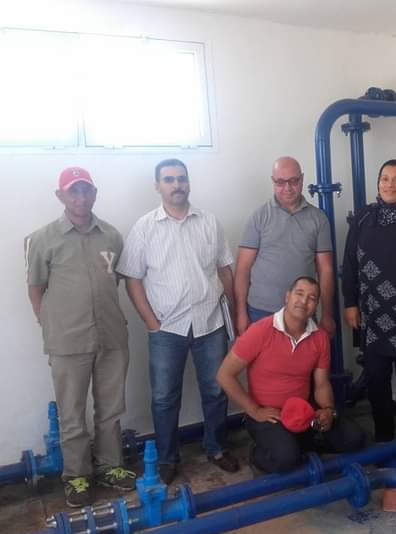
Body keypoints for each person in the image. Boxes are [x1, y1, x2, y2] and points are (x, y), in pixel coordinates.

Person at [117, 158, 239, 485]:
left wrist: (230, 310)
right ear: (157, 186)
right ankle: (167, 458)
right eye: (169, 179)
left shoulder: (209, 222)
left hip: (210, 322)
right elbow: (132, 278)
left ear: (189, 182)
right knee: (164, 397)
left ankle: (216, 448)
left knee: (216, 390)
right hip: (166, 328)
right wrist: (150, 322)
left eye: (181, 178)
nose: (176, 185)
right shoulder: (145, 227)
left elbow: (225, 269)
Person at [25, 167, 135, 507]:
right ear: (60, 196)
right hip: (67, 340)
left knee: (111, 408)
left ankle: (109, 467)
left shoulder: (112, 236)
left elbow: (115, 281)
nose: (81, 197)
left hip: (111, 336)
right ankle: (76, 476)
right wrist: (49, 324)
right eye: (73, 191)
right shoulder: (43, 239)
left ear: (95, 193)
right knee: (71, 412)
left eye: (86, 190)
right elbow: (36, 289)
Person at [217, 276, 365, 473]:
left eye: (312, 298)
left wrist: (328, 410)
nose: (304, 301)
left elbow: (321, 384)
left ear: (316, 305)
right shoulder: (260, 330)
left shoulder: (320, 337)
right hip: (269, 415)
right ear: (287, 297)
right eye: (299, 293)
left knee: (354, 438)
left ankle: (301, 443)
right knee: (286, 459)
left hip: (303, 410)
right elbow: (224, 375)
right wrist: (254, 411)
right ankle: (260, 454)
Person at [341, 159, 396, 442]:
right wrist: (350, 303)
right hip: (372, 314)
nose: (390, 185)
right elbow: (350, 262)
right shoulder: (364, 217)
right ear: (378, 183)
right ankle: (384, 439)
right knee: (376, 378)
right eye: (385, 178)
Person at [234, 156, 335, 336]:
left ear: (302, 179)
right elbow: (243, 268)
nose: (287, 188)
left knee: (303, 356)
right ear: (273, 181)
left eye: (293, 181)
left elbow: (325, 270)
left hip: (303, 312)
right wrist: (241, 313)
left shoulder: (319, 219)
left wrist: (327, 314)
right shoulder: (259, 217)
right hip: (260, 313)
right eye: (280, 182)